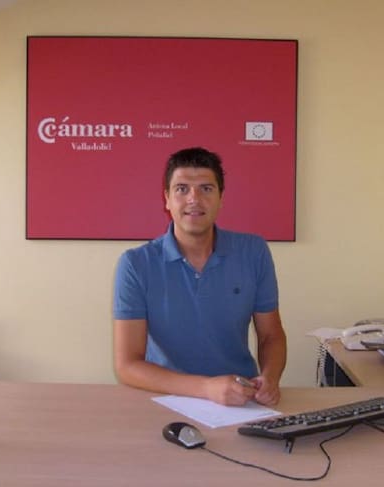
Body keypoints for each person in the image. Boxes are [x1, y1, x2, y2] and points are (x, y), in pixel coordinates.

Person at [113, 147, 287, 406]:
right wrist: (206, 388)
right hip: (165, 399)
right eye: (182, 189)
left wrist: (269, 378)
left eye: (206, 188)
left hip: (240, 399)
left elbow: (271, 335)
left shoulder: (253, 252)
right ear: (167, 199)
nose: (194, 199)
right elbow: (127, 365)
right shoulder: (136, 264)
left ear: (221, 198)